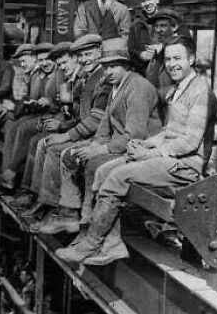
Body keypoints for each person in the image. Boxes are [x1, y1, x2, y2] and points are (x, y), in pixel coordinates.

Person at [56, 37, 217, 265]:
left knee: (118, 175)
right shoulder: (179, 87)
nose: (172, 64)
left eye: (178, 58)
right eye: (168, 59)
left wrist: (151, 153)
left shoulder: (200, 91)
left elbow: (190, 142)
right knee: (104, 171)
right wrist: (148, 144)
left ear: (191, 59)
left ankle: (91, 244)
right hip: (169, 157)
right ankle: (112, 245)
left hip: (186, 165)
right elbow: (170, 132)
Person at [39, 38, 162, 237]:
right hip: (117, 142)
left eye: (114, 66)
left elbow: (134, 135)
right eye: (105, 67)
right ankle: (68, 215)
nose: (108, 71)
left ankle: (90, 223)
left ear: (127, 65)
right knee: (71, 154)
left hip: (142, 150)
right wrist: (93, 143)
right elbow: (105, 124)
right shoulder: (116, 84)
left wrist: (98, 149)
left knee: (93, 163)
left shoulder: (138, 87)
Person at [26, 34, 110, 226]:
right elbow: (77, 114)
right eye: (81, 56)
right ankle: (42, 199)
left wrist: (65, 134)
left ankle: (54, 206)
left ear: (99, 52)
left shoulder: (102, 79)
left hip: (98, 137)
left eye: (89, 54)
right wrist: (63, 125)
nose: (85, 59)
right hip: (85, 131)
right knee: (44, 143)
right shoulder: (86, 78)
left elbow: (96, 120)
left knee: (55, 150)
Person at [0, 42, 64, 194]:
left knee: (23, 128)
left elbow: (61, 104)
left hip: (53, 116)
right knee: (13, 126)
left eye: (47, 60)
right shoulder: (40, 75)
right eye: (41, 60)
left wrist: (48, 102)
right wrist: (35, 103)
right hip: (40, 113)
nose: (44, 63)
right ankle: (8, 176)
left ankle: (11, 174)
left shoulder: (58, 75)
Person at [127, 0, 163, 74]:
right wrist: (140, 54)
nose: (147, 3)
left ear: (157, 0)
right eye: (143, 0)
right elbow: (131, 48)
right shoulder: (136, 24)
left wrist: (162, 47)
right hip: (144, 71)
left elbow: (182, 42)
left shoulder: (169, 20)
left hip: (165, 70)